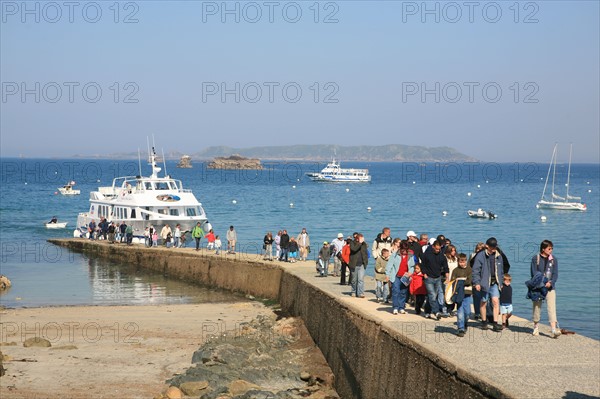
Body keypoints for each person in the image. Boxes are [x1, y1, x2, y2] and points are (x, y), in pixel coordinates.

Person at [472, 237, 504, 332]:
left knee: (495, 301)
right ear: (487, 246)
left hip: (495, 282)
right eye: (492, 247)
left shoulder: (499, 256)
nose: (494, 249)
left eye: (495, 247)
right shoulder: (481, 256)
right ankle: (484, 321)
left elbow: (501, 270)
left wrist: (501, 282)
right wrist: (477, 283)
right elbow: (475, 270)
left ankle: (495, 323)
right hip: (484, 282)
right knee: (484, 302)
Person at [531, 240, 560, 338]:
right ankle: (535, 327)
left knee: (552, 307)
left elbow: (555, 274)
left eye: (552, 248)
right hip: (538, 287)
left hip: (550, 287)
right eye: (549, 248)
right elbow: (534, 273)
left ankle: (553, 329)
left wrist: (551, 282)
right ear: (543, 249)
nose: (551, 250)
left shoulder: (553, 259)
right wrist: (543, 282)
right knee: (537, 307)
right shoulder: (536, 258)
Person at [386, 240, 416, 314]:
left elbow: (412, 266)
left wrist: (410, 272)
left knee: (403, 292)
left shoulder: (410, 255)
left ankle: (401, 307)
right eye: (402, 250)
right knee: (395, 291)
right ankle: (395, 307)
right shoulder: (395, 254)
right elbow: (389, 264)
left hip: (405, 277)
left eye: (405, 250)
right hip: (396, 276)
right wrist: (387, 275)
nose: (404, 251)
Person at [420, 239, 448, 320]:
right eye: (436, 249)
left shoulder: (442, 256)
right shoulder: (427, 255)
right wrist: (424, 274)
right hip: (428, 278)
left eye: (439, 249)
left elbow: (446, 267)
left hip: (437, 278)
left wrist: (447, 277)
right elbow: (423, 265)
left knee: (432, 296)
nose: (437, 250)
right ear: (433, 247)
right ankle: (436, 312)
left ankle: (427, 311)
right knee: (432, 295)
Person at [450, 253, 473, 337]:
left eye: (464, 262)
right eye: (461, 262)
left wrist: (460, 281)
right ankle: (460, 328)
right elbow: (453, 282)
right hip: (458, 293)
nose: (462, 264)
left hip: (467, 293)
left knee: (467, 312)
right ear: (458, 261)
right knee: (460, 311)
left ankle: (465, 322)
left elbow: (469, 280)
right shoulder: (455, 270)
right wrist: (461, 281)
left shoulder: (469, 270)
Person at [349, 233, 369, 298]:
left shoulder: (364, 244)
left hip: (361, 264)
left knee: (361, 279)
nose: (363, 239)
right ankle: (353, 291)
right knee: (354, 280)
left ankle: (360, 293)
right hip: (354, 264)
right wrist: (359, 243)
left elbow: (365, 253)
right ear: (357, 238)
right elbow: (353, 249)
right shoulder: (352, 243)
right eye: (361, 238)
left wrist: (365, 262)